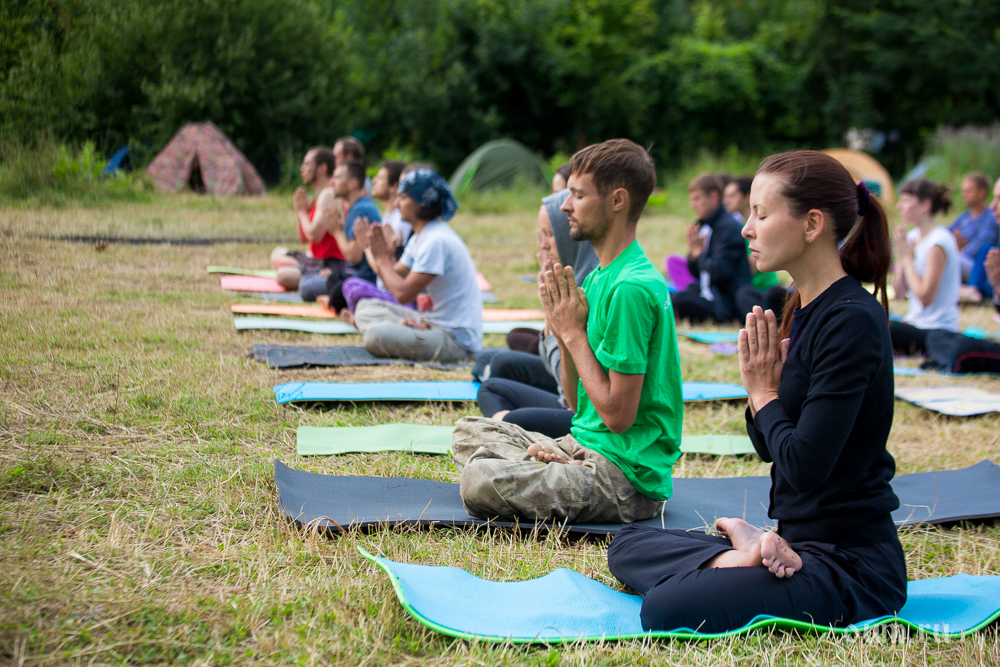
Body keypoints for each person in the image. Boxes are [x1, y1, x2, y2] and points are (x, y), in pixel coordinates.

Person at [608, 150, 906, 633]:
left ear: (812, 224)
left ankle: (746, 558)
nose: (747, 228)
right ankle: (751, 553)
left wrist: (764, 392)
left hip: (850, 565)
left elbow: (804, 467)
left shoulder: (851, 321)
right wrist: (759, 394)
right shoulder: (801, 307)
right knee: (627, 545)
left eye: (761, 215)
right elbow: (771, 446)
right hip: (794, 543)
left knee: (665, 608)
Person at [453, 139, 684, 525]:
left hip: (624, 477)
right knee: (468, 431)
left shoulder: (630, 288)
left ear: (617, 200)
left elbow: (618, 417)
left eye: (577, 195)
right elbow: (578, 404)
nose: (565, 206)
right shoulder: (597, 278)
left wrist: (573, 334)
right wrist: (561, 332)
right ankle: (548, 467)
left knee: (480, 479)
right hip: (581, 444)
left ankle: (541, 470)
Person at [476, 188, 599, 438]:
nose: (542, 245)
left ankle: (504, 427)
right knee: (492, 381)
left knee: (501, 386)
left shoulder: (588, 289)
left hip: (586, 412)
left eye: (550, 235)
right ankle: (504, 425)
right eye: (541, 235)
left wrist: (553, 319)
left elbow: (570, 389)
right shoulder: (578, 277)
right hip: (573, 400)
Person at [354, 168, 482, 363]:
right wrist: (381, 254)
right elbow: (392, 278)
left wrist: (381, 259)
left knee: (375, 335)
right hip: (431, 322)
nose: (396, 204)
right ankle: (405, 327)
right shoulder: (420, 238)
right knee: (365, 307)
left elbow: (403, 294)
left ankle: (401, 328)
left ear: (421, 203)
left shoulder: (436, 241)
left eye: (403, 198)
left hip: (455, 340)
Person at [888, 178, 961, 356]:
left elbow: (925, 297)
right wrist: (901, 258)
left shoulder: (939, 241)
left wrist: (907, 260)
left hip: (937, 330)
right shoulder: (912, 237)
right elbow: (899, 294)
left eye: (906, 200)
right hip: (915, 323)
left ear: (925, 205)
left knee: (883, 328)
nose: (899, 206)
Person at [669, 173, 752, 323]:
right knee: (665, 294)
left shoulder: (729, 228)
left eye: (697, 199)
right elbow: (697, 272)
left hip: (725, 303)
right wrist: (693, 255)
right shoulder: (706, 225)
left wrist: (698, 253)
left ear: (713, 197)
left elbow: (719, 272)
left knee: (680, 299)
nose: (693, 205)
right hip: (708, 292)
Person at [269, 147, 349, 300]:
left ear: (322, 168)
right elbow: (303, 238)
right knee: (277, 254)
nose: (302, 169)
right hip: (314, 258)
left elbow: (314, 235)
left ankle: (316, 275)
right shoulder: (319, 194)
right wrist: (302, 213)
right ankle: (308, 271)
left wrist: (301, 212)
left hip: (329, 262)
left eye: (306, 164)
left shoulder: (328, 194)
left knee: (283, 276)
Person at [311, 160, 383, 311]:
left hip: (366, 278)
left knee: (307, 286)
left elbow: (354, 256)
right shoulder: (357, 207)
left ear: (352, 184)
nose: (332, 182)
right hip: (357, 274)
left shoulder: (360, 211)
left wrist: (336, 231)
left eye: (337, 178)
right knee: (315, 280)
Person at [948, 173, 998, 289]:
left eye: (969, 191)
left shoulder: (991, 217)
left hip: (978, 267)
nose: (964, 194)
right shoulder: (964, 217)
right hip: (962, 260)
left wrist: (958, 249)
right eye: (963, 191)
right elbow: (945, 234)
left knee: (947, 259)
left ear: (982, 192)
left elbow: (981, 245)